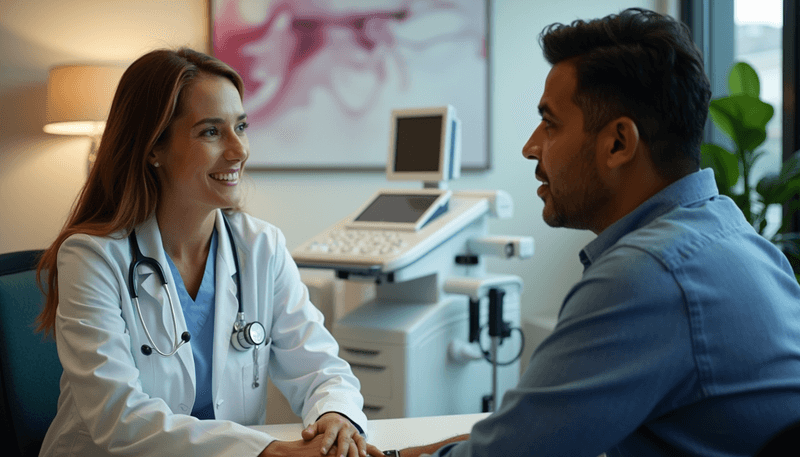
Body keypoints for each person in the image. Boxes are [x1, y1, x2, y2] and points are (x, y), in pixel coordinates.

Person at [390, 8, 800, 457]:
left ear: (619, 143)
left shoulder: (648, 275)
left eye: (550, 124)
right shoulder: (741, 241)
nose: (530, 147)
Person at [36, 47, 383, 457]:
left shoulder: (260, 247)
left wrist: (335, 419)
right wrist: (268, 450)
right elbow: (119, 418)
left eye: (241, 126)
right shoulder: (92, 258)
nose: (239, 151)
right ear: (153, 148)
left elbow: (322, 370)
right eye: (211, 132)